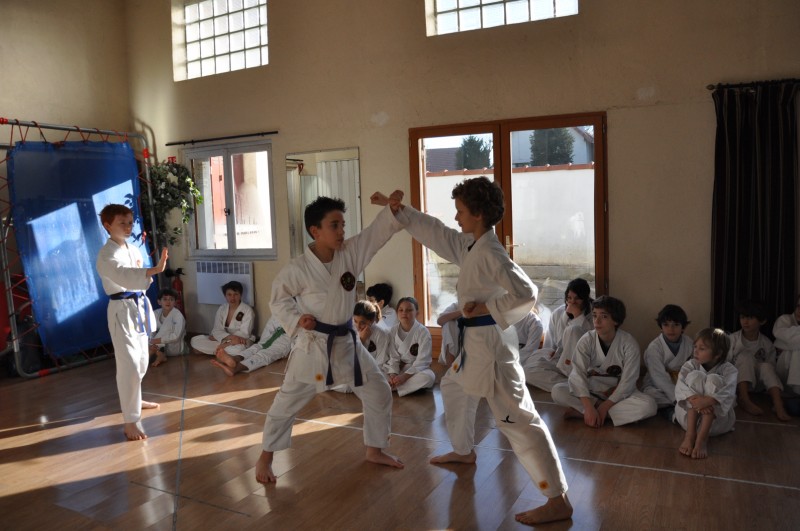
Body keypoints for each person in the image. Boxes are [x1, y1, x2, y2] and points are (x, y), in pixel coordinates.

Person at [376, 177, 573, 526]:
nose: (457, 218)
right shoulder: (472, 245)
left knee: (519, 421)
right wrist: (400, 212)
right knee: (452, 388)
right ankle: (464, 451)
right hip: (476, 349)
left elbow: (527, 294)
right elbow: (437, 232)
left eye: (462, 212)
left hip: (494, 353)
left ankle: (557, 498)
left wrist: (485, 309)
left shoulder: (492, 253)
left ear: (479, 214)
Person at [255, 196, 405, 484]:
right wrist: (297, 320)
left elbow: (374, 235)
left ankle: (374, 449)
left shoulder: (349, 253)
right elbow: (278, 298)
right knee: (286, 404)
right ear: (315, 231)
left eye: (343, 225)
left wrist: (391, 210)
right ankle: (265, 457)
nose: (341, 231)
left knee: (378, 391)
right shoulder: (298, 268)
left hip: (347, 342)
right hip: (314, 346)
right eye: (334, 225)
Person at [95, 203, 168, 441]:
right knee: (129, 364)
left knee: (143, 360)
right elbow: (124, 276)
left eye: (130, 222)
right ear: (107, 226)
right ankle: (130, 421)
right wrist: (153, 271)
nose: (128, 227)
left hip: (138, 306)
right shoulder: (106, 255)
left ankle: (135, 399)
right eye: (121, 223)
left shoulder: (134, 249)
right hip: (121, 310)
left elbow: (142, 280)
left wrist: (150, 272)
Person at [551, 295, 658, 427]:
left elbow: (628, 381)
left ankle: (587, 414)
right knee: (558, 391)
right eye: (595, 315)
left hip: (617, 394)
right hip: (592, 390)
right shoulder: (586, 340)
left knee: (649, 405)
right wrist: (588, 406)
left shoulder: (629, 344)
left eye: (604, 316)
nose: (597, 321)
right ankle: (596, 413)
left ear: (616, 321)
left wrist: (604, 407)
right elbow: (577, 374)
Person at [675, 328, 737, 459]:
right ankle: (690, 435)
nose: (695, 351)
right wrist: (696, 400)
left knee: (714, 379)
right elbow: (680, 386)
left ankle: (702, 438)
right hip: (688, 420)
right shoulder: (690, 365)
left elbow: (729, 392)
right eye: (695, 347)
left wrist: (709, 401)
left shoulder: (729, 370)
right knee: (695, 375)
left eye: (702, 348)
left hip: (717, 424)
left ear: (718, 353)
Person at [523, 278, 594, 391]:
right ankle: (574, 386)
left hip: (584, 363)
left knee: (573, 330)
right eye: (569, 298)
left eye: (577, 299)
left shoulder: (594, 315)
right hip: (560, 360)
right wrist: (551, 353)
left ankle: (577, 383)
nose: (572, 302)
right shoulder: (558, 313)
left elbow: (590, 342)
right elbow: (551, 344)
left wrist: (577, 317)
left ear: (585, 299)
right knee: (527, 371)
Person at [727, 299, 790, 421]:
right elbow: (725, 364)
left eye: (750, 318)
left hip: (758, 384)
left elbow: (770, 370)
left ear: (762, 321)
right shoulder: (732, 339)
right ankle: (744, 399)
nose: (745, 321)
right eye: (742, 317)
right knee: (745, 356)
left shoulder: (767, 344)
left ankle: (778, 404)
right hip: (737, 381)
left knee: (766, 366)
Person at [641, 304, 694, 420]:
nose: (671, 329)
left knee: (697, 390)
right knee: (650, 397)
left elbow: (693, 367)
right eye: (666, 325)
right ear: (661, 327)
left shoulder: (689, 343)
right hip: (657, 384)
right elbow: (658, 376)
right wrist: (677, 399)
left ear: (683, 327)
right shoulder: (654, 347)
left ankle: (671, 410)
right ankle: (673, 411)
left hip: (680, 382)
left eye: (676, 325)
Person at [331, 300, 391, 393]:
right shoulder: (348, 330)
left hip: (372, 370)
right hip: (351, 368)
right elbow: (345, 358)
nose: (358, 326)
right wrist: (361, 340)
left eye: (362, 322)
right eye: (355, 321)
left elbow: (381, 361)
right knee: (346, 385)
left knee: (383, 379)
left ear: (371, 321)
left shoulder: (381, 334)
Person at [385, 296, 436, 396]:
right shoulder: (393, 331)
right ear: (397, 313)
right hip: (398, 368)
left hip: (415, 369)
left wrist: (404, 377)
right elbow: (393, 357)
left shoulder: (423, 332)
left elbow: (423, 361)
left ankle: (392, 387)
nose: (404, 313)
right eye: (401, 310)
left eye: (409, 310)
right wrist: (393, 374)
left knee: (429, 377)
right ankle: (395, 384)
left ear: (417, 313)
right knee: (378, 372)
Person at [189, 280, 255, 356]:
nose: (232, 297)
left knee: (238, 349)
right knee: (195, 340)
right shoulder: (222, 308)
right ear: (225, 296)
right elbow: (217, 329)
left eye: (236, 294)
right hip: (225, 340)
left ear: (240, 295)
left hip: (240, 341)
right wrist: (228, 339)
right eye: (229, 294)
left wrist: (225, 341)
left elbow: (245, 333)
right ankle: (221, 351)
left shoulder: (248, 310)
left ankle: (218, 350)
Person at [210, 316, 290, 376]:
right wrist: (262, 340)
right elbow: (270, 326)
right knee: (255, 348)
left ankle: (236, 368)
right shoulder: (283, 308)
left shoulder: (301, 312)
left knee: (265, 354)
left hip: (287, 340)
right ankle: (234, 359)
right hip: (273, 335)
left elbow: (301, 338)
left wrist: (290, 352)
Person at [149, 287, 187, 367]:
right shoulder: (155, 313)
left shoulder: (178, 315)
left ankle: (150, 353)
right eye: (165, 299)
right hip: (156, 346)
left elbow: (176, 336)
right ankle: (159, 354)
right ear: (159, 302)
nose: (168, 302)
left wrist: (156, 340)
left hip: (173, 348)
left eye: (171, 299)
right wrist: (151, 341)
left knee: (167, 326)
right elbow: (150, 332)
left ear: (175, 302)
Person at [774, 294, 800, 396]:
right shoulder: (785, 320)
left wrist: (789, 344)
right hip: (783, 368)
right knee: (797, 350)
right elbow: (779, 336)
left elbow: (785, 342)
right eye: (799, 306)